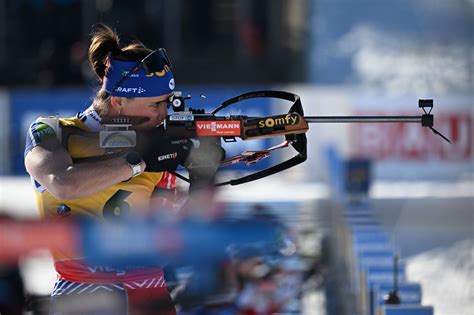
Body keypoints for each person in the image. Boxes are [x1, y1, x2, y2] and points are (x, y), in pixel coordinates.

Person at [24, 24, 190, 314]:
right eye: (155, 105)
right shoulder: (51, 131)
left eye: (166, 103)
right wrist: (139, 162)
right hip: (83, 291)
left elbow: (169, 235)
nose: (164, 113)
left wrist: (200, 170)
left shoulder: (160, 141)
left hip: (148, 289)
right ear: (117, 101)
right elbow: (64, 184)